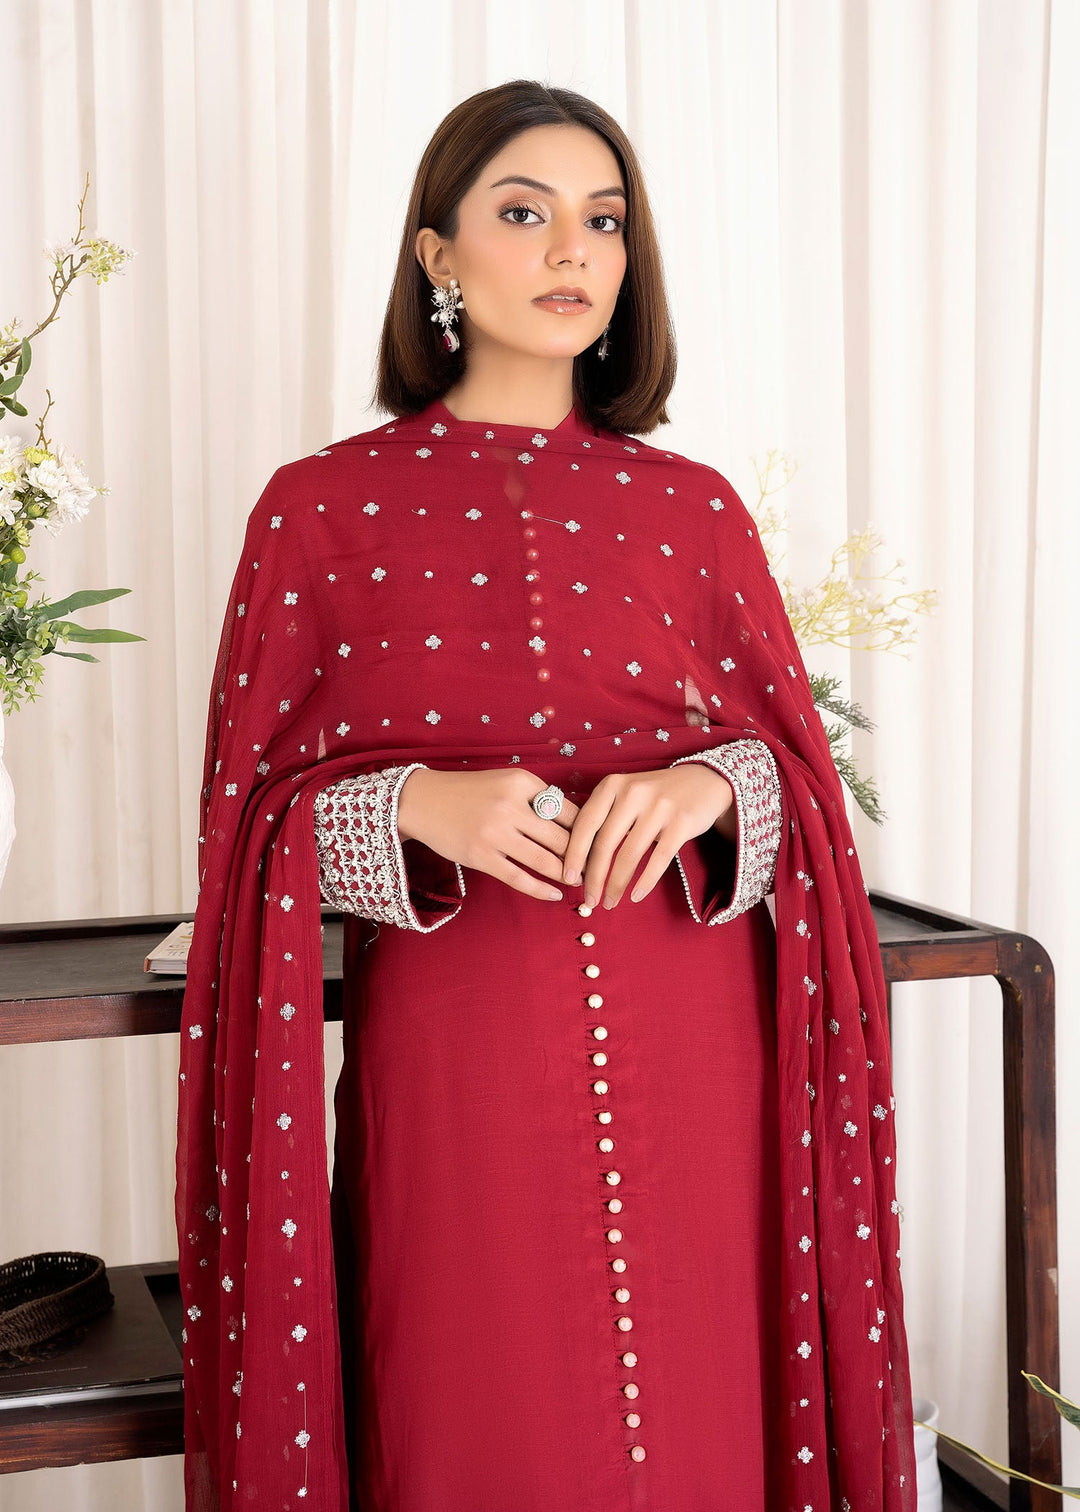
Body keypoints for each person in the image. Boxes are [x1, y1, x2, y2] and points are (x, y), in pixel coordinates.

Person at [176, 79, 918, 1512]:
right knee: (476, 1410)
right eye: (524, 214)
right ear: (438, 254)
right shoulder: (316, 510)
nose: (574, 249)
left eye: (604, 221)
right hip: (460, 1047)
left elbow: (797, 791)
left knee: (699, 1417)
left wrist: (710, 785)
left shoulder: (694, 509)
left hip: (694, 1035)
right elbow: (242, 827)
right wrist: (408, 807)